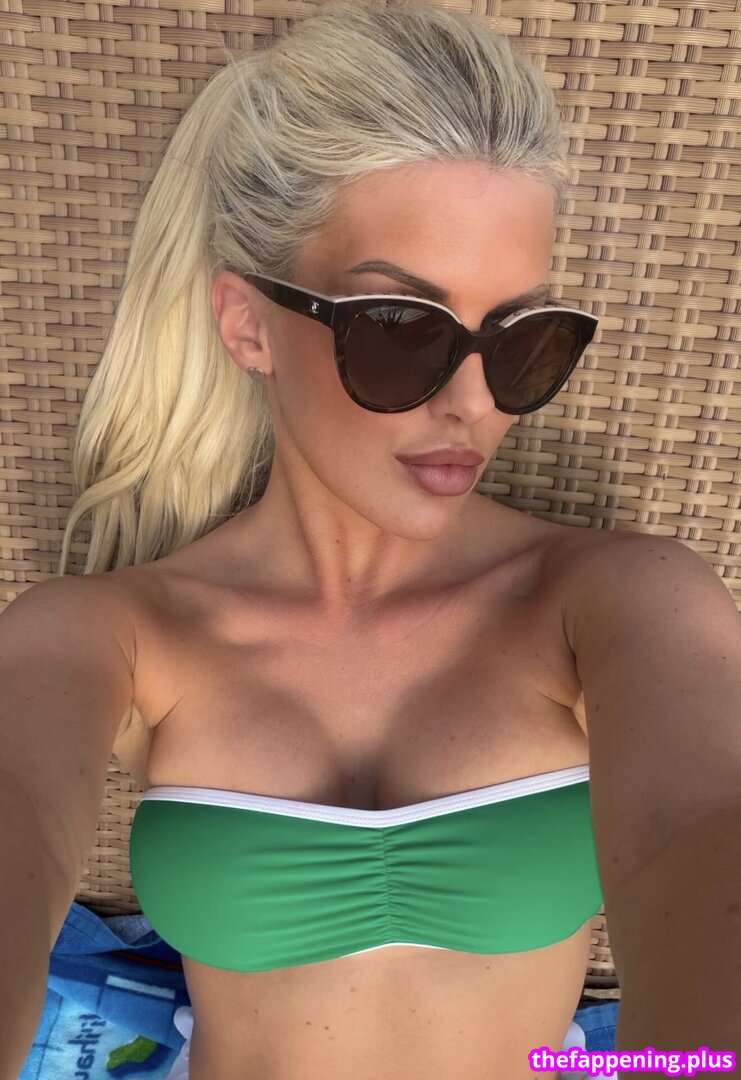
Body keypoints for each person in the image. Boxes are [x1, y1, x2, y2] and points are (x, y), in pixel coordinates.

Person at [4, 3, 738, 1078]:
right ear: (248, 324)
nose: (473, 402)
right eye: (402, 330)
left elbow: (703, 828)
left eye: (523, 341)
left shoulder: (617, 600)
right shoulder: (107, 632)